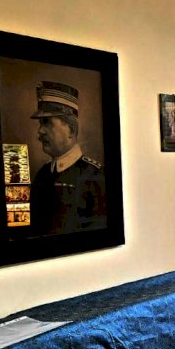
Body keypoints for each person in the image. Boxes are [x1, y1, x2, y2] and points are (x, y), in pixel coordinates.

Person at [28, 81, 106, 234]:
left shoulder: (96, 176)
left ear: (71, 129)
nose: (40, 131)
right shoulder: (42, 174)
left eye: (47, 123)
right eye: (40, 124)